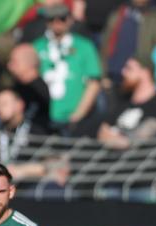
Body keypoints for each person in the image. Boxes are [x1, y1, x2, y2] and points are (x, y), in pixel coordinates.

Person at [33, 3, 101, 134]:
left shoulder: (84, 46)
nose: (57, 23)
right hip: (43, 118)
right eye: (52, 19)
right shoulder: (37, 47)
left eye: (62, 18)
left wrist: (78, 114)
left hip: (73, 119)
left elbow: (93, 82)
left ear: (70, 20)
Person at [98, 56, 156, 149]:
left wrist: (115, 140)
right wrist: (121, 141)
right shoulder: (122, 99)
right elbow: (103, 130)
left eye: (129, 68)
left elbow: (142, 139)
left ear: (145, 72)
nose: (123, 72)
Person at [6, 43, 52, 132]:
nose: (9, 66)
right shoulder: (16, 88)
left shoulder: (39, 92)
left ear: (28, 63)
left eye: (14, 62)